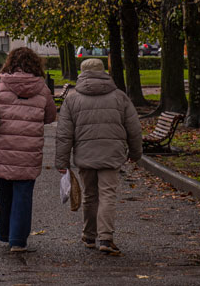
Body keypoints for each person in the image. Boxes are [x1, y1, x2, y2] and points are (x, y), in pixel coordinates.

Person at [0, 47, 57, 252]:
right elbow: (50, 116)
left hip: (0, 148)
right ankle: (17, 240)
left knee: (5, 193)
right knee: (24, 194)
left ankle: (5, 233)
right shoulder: (42, 87)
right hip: (29, 150)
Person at [55, 58, 143, 257]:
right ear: (104, 72)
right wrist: (136, 153)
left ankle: (88, 235)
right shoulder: (119, 97)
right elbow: (134, 129)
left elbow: (64, 133)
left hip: (85, 154)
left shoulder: (72, 99)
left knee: (90, 195)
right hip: (112, 154)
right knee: (108, 195)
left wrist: (62, 162)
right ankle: (106, 238)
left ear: (81, 73)